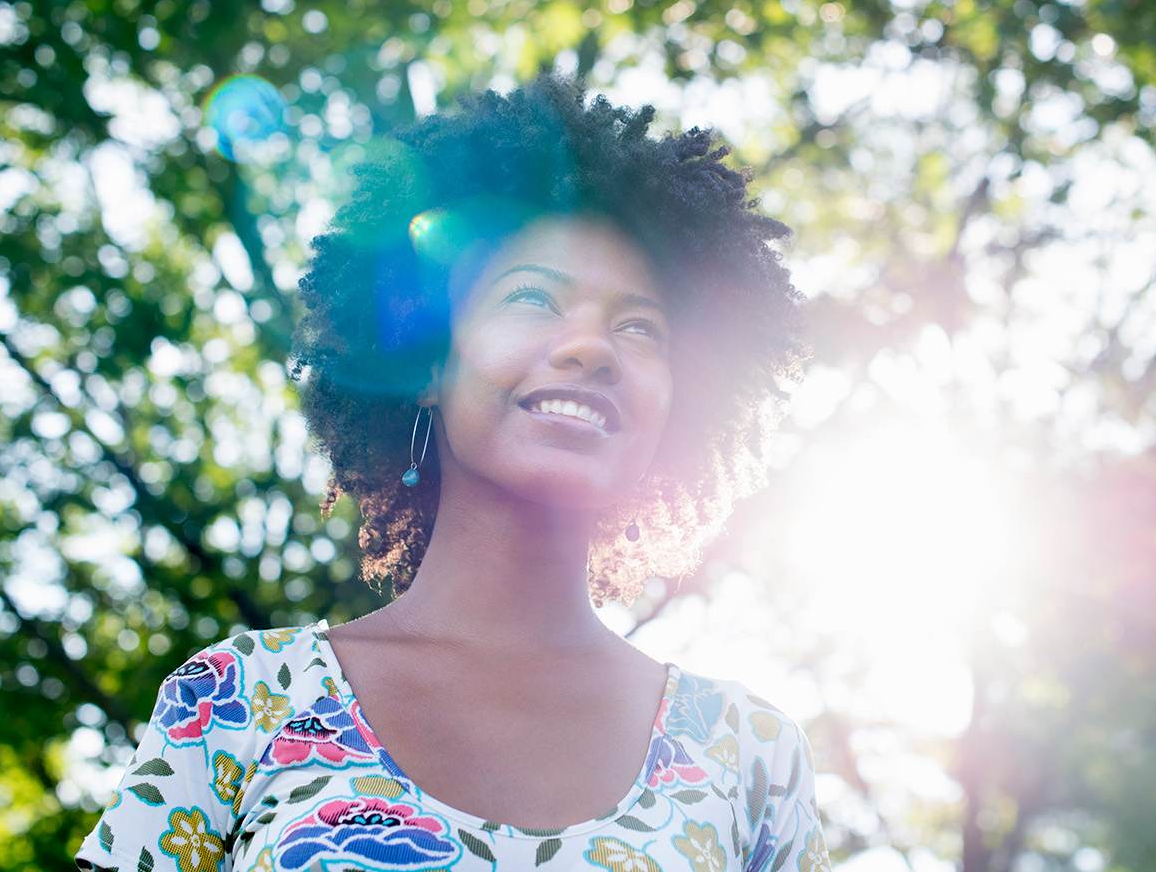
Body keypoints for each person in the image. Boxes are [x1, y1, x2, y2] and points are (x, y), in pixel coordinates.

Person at [76, 74, 829, 872]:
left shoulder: (750, 756)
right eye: (533, 298)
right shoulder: (239, 699)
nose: (592, 347)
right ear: (428, 361)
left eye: (640, 326)